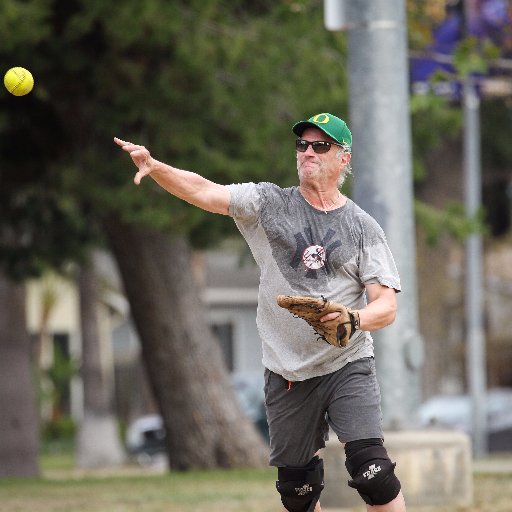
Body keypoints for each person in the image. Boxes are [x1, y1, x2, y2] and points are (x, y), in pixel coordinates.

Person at [114, 112, 407, 512]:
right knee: (297, 492)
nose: (308, 153)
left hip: (346, 362)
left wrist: (352, 319)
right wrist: (157, 167)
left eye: (321, 146)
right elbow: (204, 192)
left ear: (344, 159)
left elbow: (386, 307)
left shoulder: (362, 228)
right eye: (302, 145)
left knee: (373, 473)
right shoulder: (268, 203)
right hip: (286, 371)